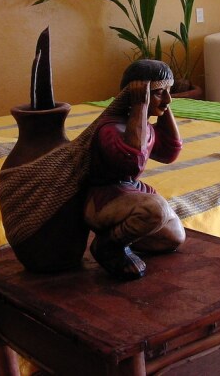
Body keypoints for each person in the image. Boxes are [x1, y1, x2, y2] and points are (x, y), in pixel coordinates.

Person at [84, 59, 186, 280]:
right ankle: (108, 246)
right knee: (156, 209)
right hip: (103, 198)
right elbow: (133, 161)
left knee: (174, 236)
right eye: (159, 93)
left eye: (169, 92)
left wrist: (163, 106)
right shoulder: (110, 129)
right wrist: (140, 105)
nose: (168, 99)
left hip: (128, 190)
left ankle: (124, 236)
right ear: (138, 94)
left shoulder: (144, 127)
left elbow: (169, 152)